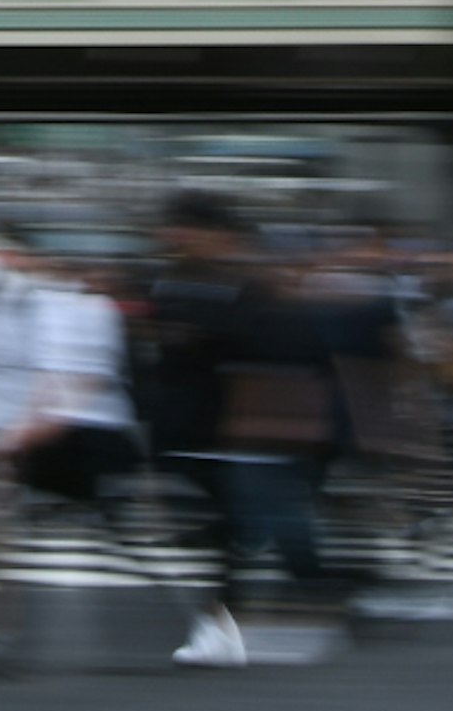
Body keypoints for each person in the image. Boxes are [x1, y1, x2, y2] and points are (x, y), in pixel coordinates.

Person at [142, 198, 336, 667]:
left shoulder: (252, 289)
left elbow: (286, 348)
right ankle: (293, 590)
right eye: (175, 231)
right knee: (237, 523)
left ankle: (229, 618)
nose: (176, 240)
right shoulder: (168, 283)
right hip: (187, 425)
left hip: (240, 426)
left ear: (223, 238)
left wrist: (206, 335)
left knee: (240, 525)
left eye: (188, 230)